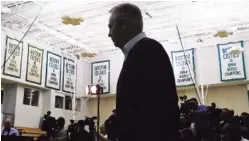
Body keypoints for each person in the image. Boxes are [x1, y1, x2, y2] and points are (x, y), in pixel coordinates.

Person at [108, 3, 180, 141]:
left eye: (111, 26)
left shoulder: (148, 51)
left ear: (123, 25)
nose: (109, 33)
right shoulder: (140, 52)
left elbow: (154, 111)